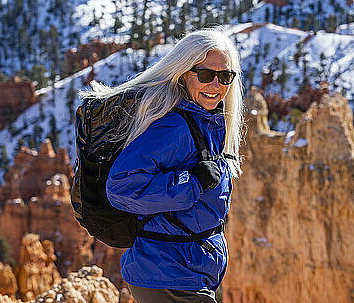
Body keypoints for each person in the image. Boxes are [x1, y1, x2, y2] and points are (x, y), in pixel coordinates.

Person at [80, 28, 244, 303]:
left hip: (186, 273)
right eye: (205, 75)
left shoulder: (209, 123)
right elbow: (121, 187)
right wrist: (192, 183)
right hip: (167, 274)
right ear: (183, 73)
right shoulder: (174, 127)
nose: (216, 85)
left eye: (225, 76)